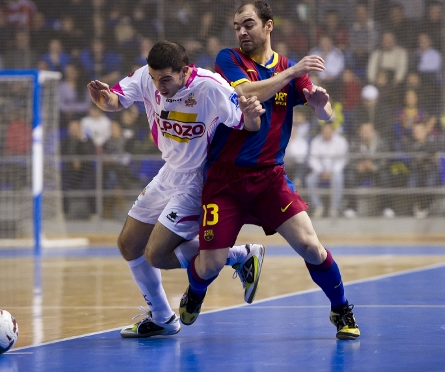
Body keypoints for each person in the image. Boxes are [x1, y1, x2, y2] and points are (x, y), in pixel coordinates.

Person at [179, 1, 360, 341]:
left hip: (269, 178)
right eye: (237, 26)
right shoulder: (228, 59)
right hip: (224, 180)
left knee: (311, 246)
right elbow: (245, 92)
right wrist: (292, 73)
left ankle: (342, 308)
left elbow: (324, 114)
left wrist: (321, 106)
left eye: (248, 24)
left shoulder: (290, 68)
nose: (241, 31)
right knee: (210, 266)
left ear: (268, 26)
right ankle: (196, 291)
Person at [87, 40, 266, 338]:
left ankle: (240, 254)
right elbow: (117, 99)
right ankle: (162, 318)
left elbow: (250, 126)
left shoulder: (211, 87)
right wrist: (105, 103)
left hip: (197, 181)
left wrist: (251, 113)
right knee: (129, 244)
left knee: (156, 254)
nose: (159, 87)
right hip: (168, 172)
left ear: (184, 71)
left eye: (166, 79)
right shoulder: (148, 76)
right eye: (155, 79)